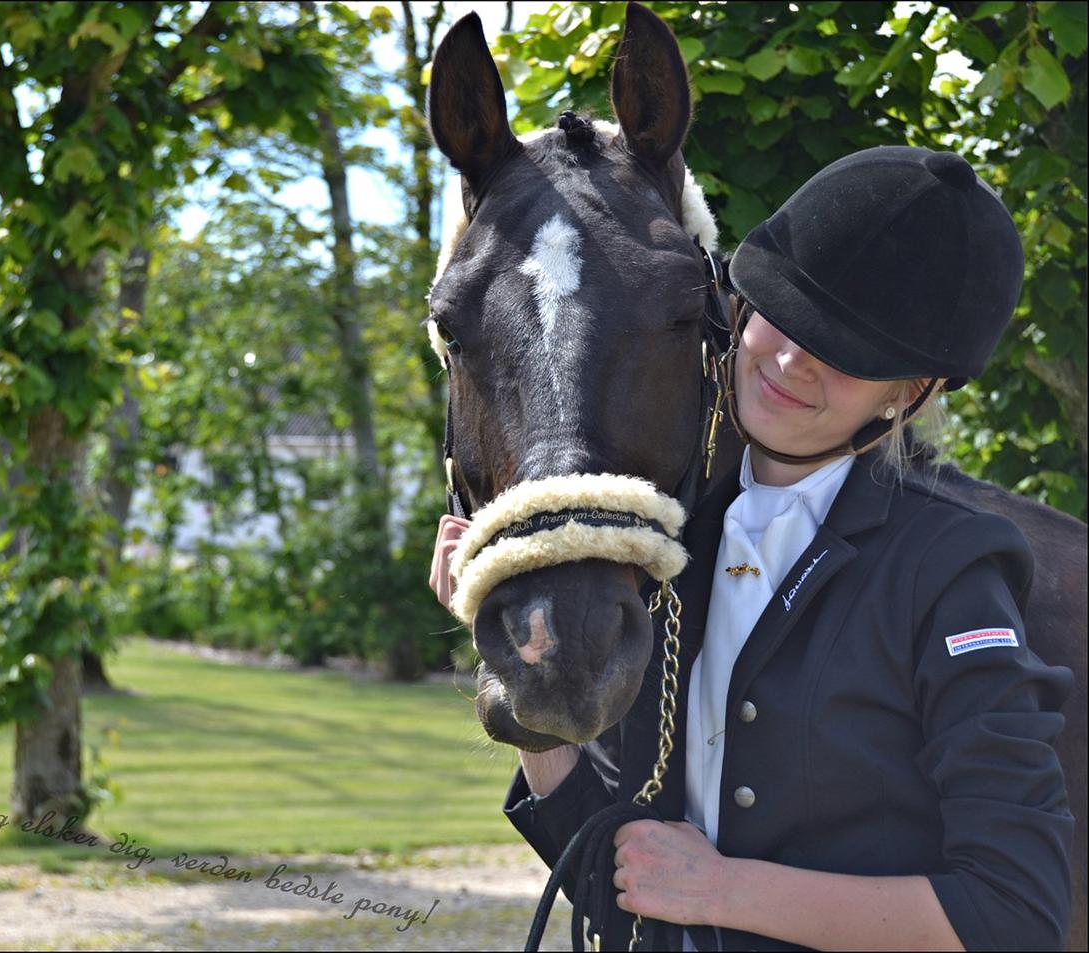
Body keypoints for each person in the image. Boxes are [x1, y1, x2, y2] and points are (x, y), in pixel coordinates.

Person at [428, 146, 1074, 951]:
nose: (794, 360)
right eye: (786, 315)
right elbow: (622, 886)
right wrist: (518, 655)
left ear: (905, 393)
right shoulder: (667, 547)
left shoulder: (950, 566)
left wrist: (724, 889)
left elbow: (1015, 912)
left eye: (847, 352)